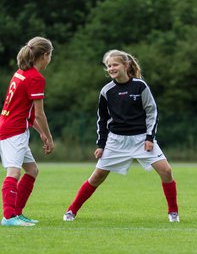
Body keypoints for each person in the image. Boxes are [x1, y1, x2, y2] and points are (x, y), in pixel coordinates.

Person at [63, 49, 180, 223]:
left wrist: (149, 138)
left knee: (166, 170)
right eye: (109, 66)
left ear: (126, 65)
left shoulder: (140, 86)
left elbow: (151, 112)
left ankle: (173, 212)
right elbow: (101, 120)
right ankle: (71, 211)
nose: (111, 68)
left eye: (115, 64)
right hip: (116, 141)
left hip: (142, 139)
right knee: (96, 177)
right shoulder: (106, 91)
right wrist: (101, 145)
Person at [0, 36, 54, 226]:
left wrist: (39, 132)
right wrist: (49, 137)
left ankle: (17, 213)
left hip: (12, 125)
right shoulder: (35, 78)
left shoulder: (21, 72)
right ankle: (8, 217)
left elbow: (26, 111)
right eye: (50, 56)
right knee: (13, 172)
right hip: (14, 130)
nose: (50, 60)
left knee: (31, 170)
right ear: (45, 55)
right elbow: (39, 114)